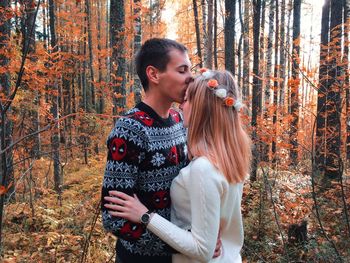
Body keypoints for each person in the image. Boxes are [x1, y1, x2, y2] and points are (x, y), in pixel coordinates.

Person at [105, 69, 252, 263]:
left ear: (202, 108)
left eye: (188, 99)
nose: (181, 106)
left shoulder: (204, 168)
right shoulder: (229, 156)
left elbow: (202, 249)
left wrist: (145, 216)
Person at [101, 38, 219, 263]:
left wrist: (208, 234)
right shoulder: (130, 129)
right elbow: (114, 217)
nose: (191, 78)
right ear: (154, 75)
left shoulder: (179, 119)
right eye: (182, 70)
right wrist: (183, 245)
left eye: (190, 70)